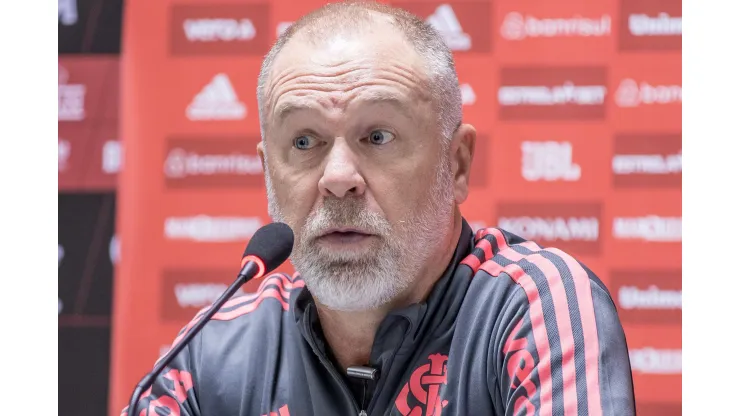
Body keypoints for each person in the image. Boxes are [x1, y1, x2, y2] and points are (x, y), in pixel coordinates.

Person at [123, 2, 636, 415]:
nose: (338, 178)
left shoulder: (533, 308)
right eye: (304, 142)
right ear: (267, 172)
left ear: (456, 165)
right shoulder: (215, 350)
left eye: (377, 135)